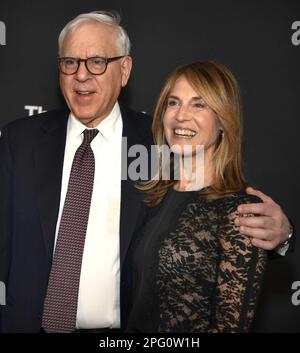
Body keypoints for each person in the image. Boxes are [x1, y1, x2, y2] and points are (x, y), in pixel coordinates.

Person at [0, 11, 294, 333]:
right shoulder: (21, 141)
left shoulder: (158, 144)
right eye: (70, 62)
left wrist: (280, 237)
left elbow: (203, 215)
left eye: (97, 61)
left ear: (124, 70)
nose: (81, 76)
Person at [124, 61, 288, 332]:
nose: (181, 116)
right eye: (173, 103)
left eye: (199, 105)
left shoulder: (240, 211)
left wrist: (287, 235)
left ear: (224, 120)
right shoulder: (154, 196)